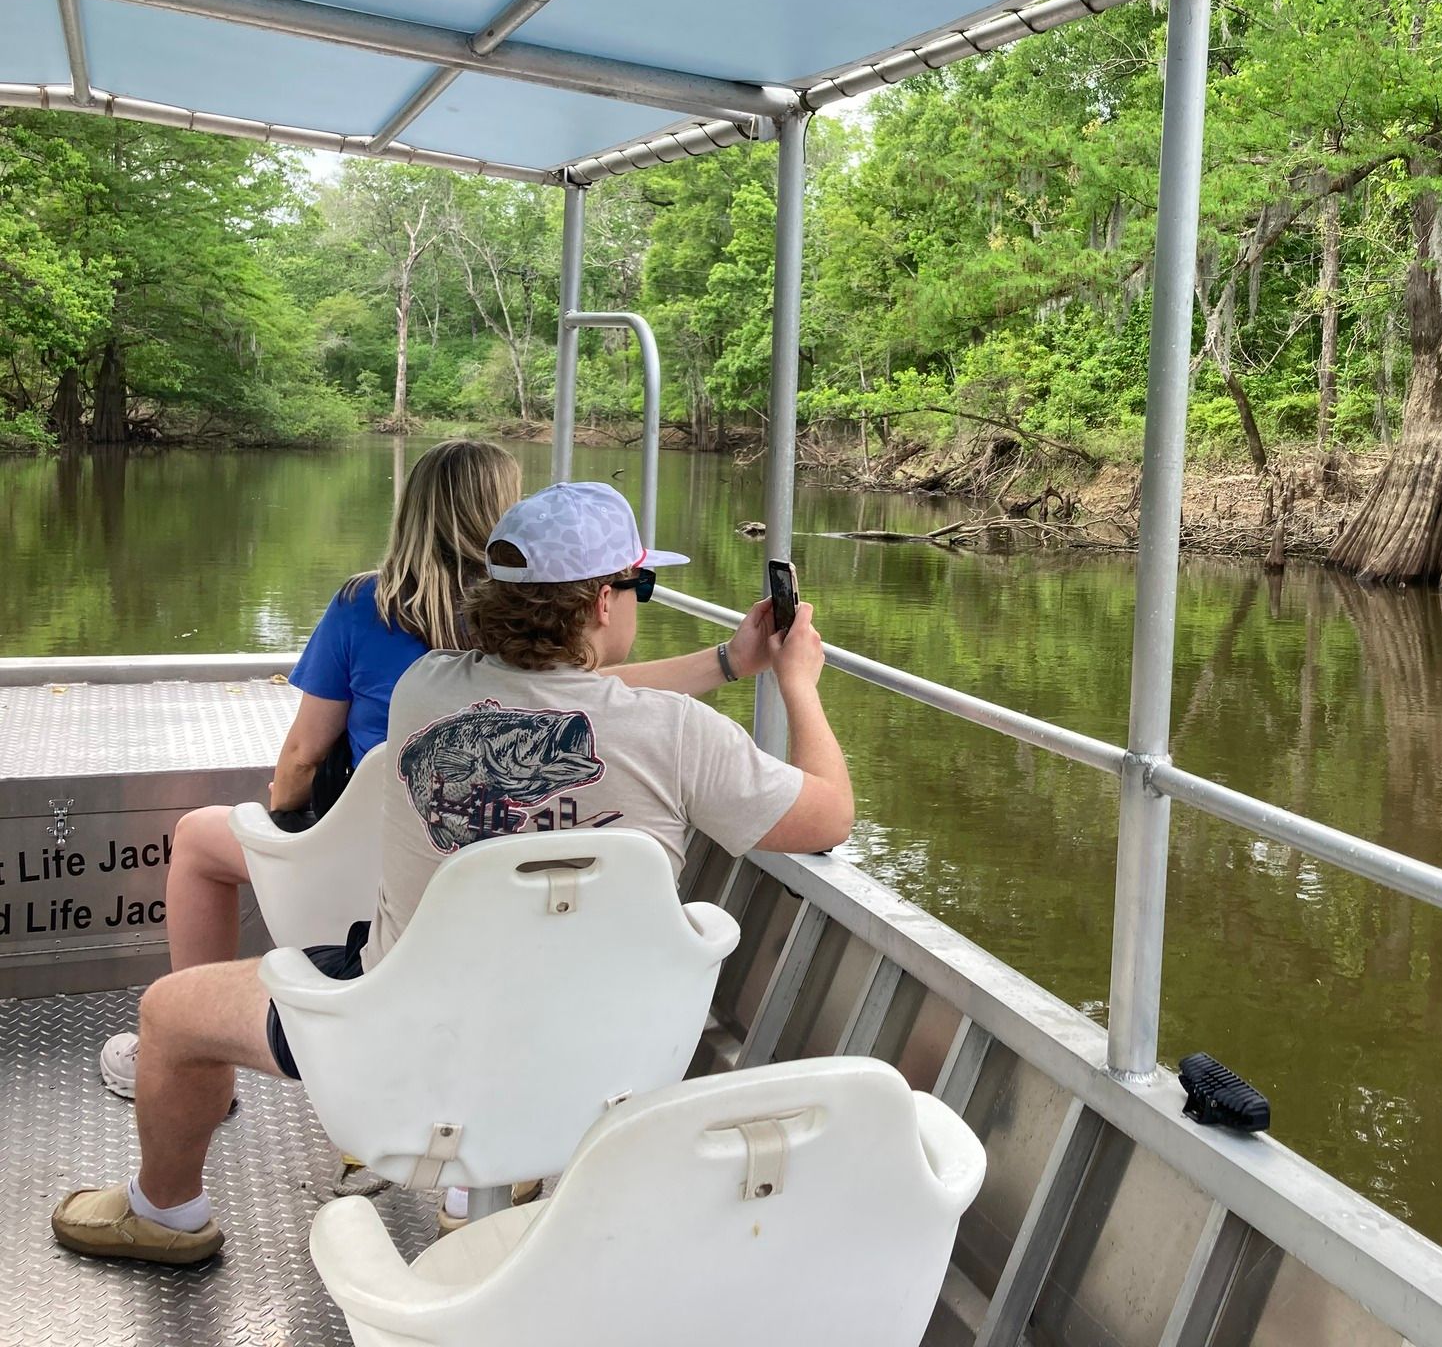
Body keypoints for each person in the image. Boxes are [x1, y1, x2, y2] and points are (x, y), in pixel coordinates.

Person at [52, 481, 853, 1265]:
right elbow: (828, 815)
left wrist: (725, 659)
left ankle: (165, 1216)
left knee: (169, 1013)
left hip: (405, 1061)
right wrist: (794, 681)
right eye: (640, 583)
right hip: (604, 1071)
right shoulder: (681, 737)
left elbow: (559, 694)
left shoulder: (423, 689)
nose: (641, 601)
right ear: (605, 603)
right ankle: (497, 1189)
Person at [98, 439, 522, 1101]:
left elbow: (303, 756)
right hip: (485, 880)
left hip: (364, 874)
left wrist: (284, 819)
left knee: (198, 840)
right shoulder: (532, 622)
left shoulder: (365, 604)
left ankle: (193, 1058)